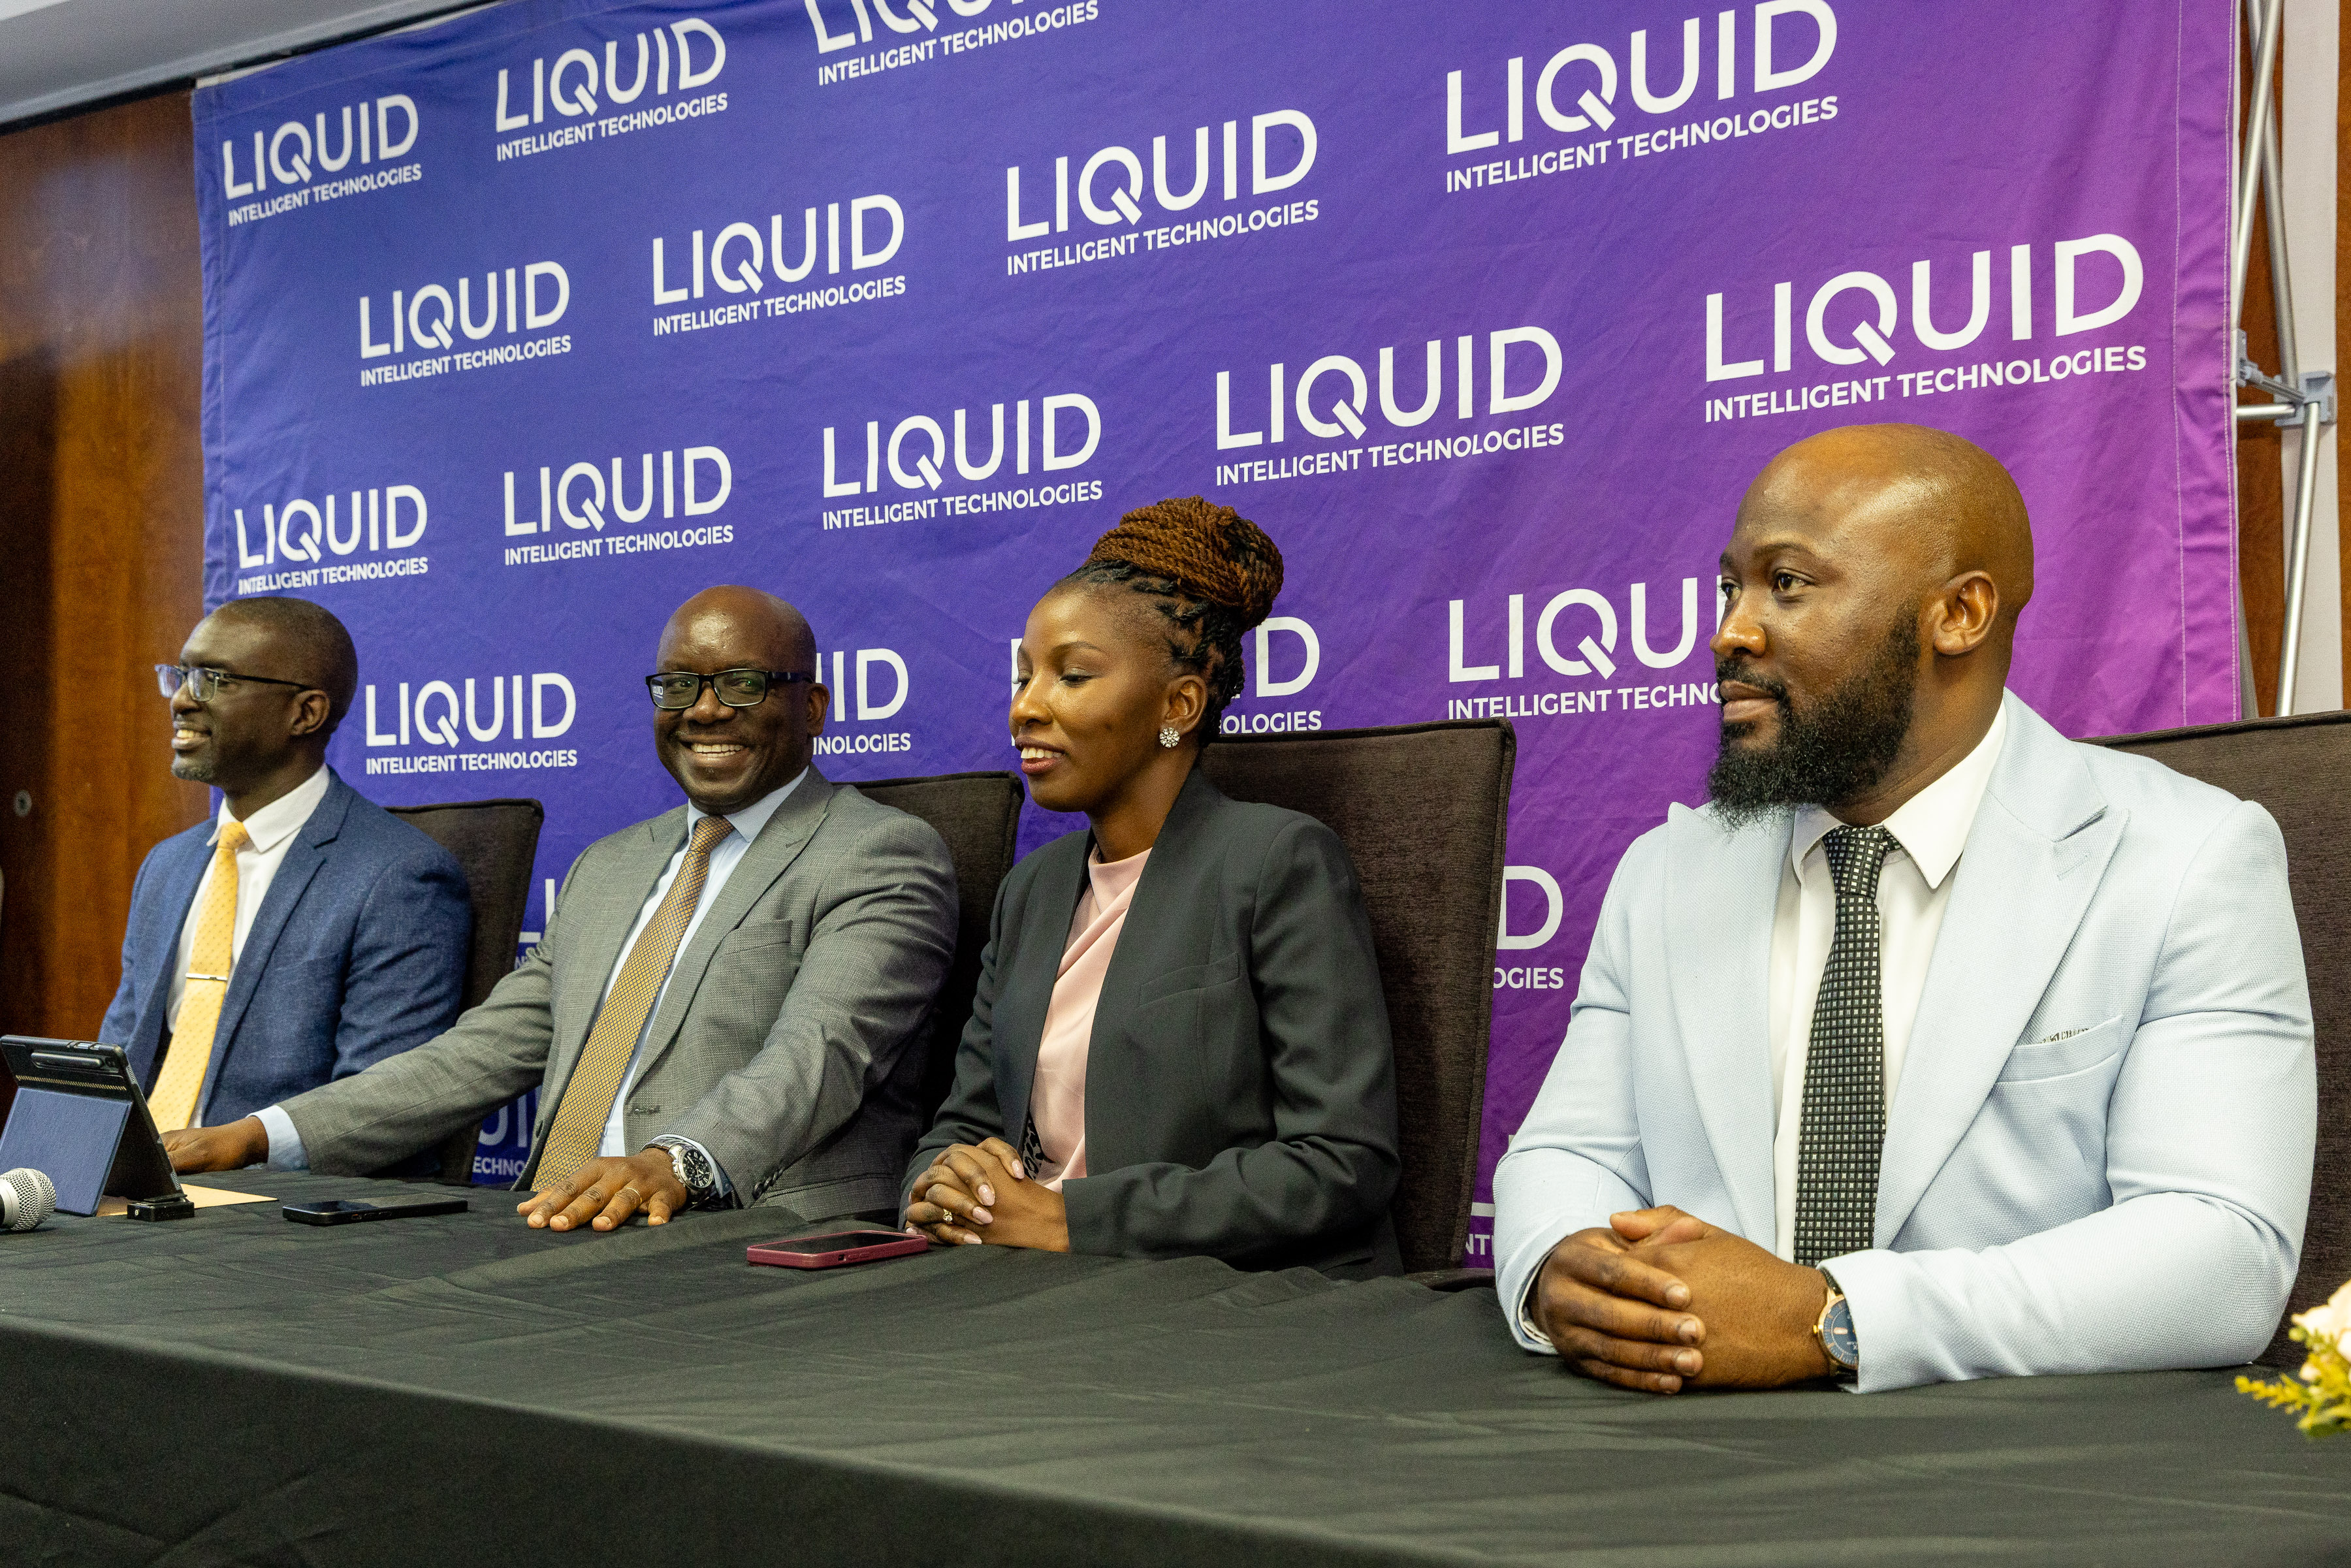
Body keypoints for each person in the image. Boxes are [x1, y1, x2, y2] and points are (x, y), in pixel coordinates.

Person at [1494, 423, 2316, 1394]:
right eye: (1730, 588)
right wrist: (1567, 1270)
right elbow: (1569, 1153)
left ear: (1959, 614)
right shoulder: (1666, 873)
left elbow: (2222, 1254)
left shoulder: (2188, 861)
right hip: (1687, 1430)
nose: (1730, 632)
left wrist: (1833, 1320)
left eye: (1786, 584)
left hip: (2017, 1454)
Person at [167, 586, 959, 1237]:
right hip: (552, 1224)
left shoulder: (879, 854)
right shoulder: (609, 867)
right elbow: (475, 1055)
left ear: (813, 706)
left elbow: (818, 1055)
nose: (705, 710)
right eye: (678, 686)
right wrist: (260, 1135)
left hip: (753, 1236)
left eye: (742, 684)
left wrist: (673, 1163)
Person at [904, 498, 1400, 1276]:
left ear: (1179, 705)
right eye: (1024, 676)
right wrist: (939, 1185)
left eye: (1072, 676)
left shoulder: (1276, 862)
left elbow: (1341, 1161)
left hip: (1222, 1297)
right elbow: (964, 1122)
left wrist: (1070, 1219)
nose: (1026, 706)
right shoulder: (1031, 890)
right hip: (1021, 1279)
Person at [104, 596, 470, 1138]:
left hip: (264, 1184)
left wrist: (238, 1150)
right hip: (129, 1173)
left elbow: (374, 1109)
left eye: (213, 680)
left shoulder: (400, 877)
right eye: (181, 675)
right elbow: (117, 1057)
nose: (181, 699)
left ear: (305, 713)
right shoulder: (167, 865)